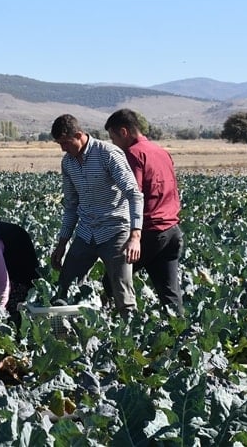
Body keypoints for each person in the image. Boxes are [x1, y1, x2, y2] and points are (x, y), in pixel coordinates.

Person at [49, 114, 144, 319]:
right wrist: (62, 243)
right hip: (86, 232)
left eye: (65, 143)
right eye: (59, 144)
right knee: (66, 285)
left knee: (123, 293)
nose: (63, 149)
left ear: (79, 135)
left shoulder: (108, 154)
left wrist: (135, 237)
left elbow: (133, 194)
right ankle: (66, 335)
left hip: (115, 230)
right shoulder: (68, 163)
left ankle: (132, 340)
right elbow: (71, 205)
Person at [105, 108, 185, 316]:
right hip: (172, 231)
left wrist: (133, 236)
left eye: (113, 138)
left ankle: (119, 330)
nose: (114, 144)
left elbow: (133, 194)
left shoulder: (133, 154)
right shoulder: (161, 152)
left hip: (149, 232)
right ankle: (182, 339)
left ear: (124, 132)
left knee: (112, 280)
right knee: (169, 294)